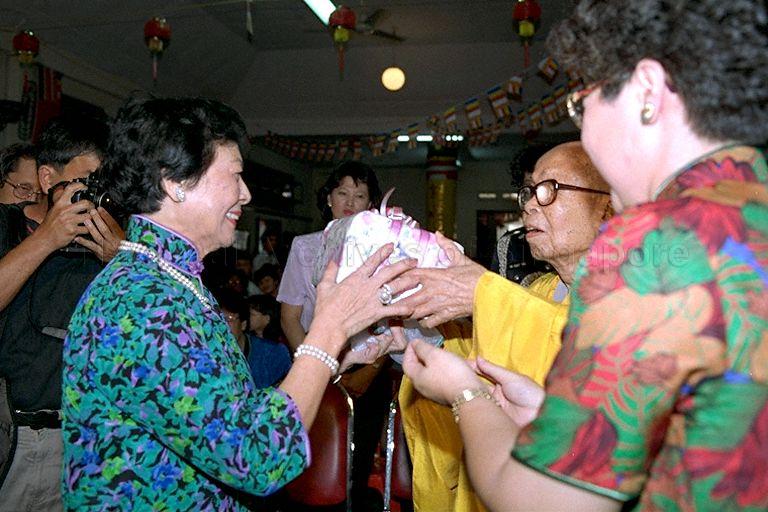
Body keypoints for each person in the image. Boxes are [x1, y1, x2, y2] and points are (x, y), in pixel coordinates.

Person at [403, 1, 768, 510]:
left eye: (583, 103)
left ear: (645, 92)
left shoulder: (654, 240)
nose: (584, 128)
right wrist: (550, 414)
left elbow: (542, 502)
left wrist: (467, 395)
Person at [60, 97, 414, 510]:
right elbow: (257, 456)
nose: (245, 194)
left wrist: (343, 351)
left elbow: (233, 414)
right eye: (235, 177)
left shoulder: (170, 282)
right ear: (176, 183)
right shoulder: (142, 304)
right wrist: (328, 328)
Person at [396, 141, 612, 512]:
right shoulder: (535, 290)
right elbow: (486, 364)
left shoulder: (636, 296)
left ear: (607, 206)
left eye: (549, 190)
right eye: (528, 193)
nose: (529, 204)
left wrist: (482, 294)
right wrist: (425, 332)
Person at [0, 116, 124, 511]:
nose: (95, 195)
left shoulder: (109, 242)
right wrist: (48, 238)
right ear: (47, 177)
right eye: (86, 181)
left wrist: (122, 261)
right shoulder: (7, 226)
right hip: (15, 436)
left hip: (84, 440)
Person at [214, 289, 291, 388]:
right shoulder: (206, 357)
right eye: (215, 319)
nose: (220, 325)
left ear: (243, 324)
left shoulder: (273, 353)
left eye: (227, 319)